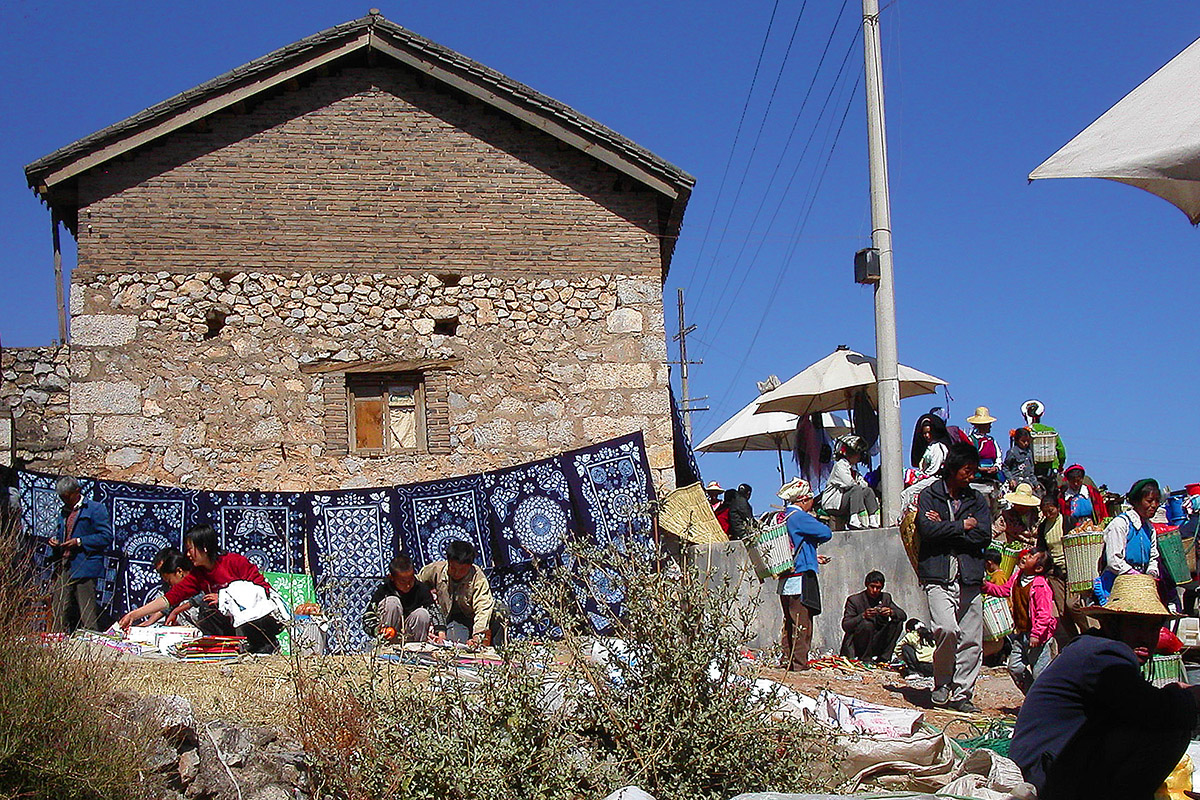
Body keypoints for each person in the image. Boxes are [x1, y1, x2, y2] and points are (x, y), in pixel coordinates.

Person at [1010, 573, 1199, 800]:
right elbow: (1152, 711)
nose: (1147, 637)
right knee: (1172, 728)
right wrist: (1187, 695)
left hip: (1043, 765)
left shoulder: (1094, 647)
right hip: (1045, 776)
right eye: (1138, 625)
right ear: (1111, 624)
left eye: (1153, 628)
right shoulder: (1106, 655)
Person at [119, 524, 283, 654]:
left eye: (190, 549)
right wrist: (134, 615)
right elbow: (169, 599)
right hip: (227, 623)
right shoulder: (198, 575)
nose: (188, 555)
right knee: (206, 609)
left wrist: (226, 598)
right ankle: (224, 647)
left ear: (204, 547)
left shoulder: (234, 562)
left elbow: (262, 590)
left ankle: (261, 646)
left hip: (256, 622)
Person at [915, 441, 992, 712]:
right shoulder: (929, 495)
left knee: (971, 639)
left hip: (969, 576)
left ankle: (963, 694)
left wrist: (945, 528)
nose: (971, 476)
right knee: (946, 629)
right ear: (953, 469)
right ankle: (942, 683)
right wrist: (962, 526)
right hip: (938, 575)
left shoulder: (977, 500)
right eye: (967, 470)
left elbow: (983, 534)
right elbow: (926, 530)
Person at [776, 477, 833, 671]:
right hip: (800, 575)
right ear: (804, 500)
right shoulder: (800, 517)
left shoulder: (782, 516)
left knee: (789, 621)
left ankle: (787, 659)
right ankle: (799, 664)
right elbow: (826, 533)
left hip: (785, 576)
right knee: (802, 622)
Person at [985, 549, 1057, 694]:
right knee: (1015, 667)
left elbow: (1044, 614)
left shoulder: (1040, 586)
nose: (1025, 557)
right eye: (1027, 554)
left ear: (1038, 568)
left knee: (1040, 673)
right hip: (1022, 633)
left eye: (1031, 557)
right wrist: (985, 587)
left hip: (1039, 638)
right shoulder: (1017, 577)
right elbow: (1004, 591)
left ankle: (1043, 700)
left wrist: (1036, 634)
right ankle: (1033, 695)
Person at [48, 476, 113, 633]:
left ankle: (90, 643)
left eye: (67, 496)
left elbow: (106, 536)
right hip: (65, 563)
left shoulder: (94, 509)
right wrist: (56, 542)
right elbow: (62, 532)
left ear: (77, 491)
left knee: (86, 609)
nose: (65, 500)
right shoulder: (63, 512)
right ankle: (58, 642)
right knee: (59, 606)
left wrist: (79, 541)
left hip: (85, 564)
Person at [418, 539, 500, 648]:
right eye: (453, 568)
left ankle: (498, 648)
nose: (456, 573)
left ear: (470, 566)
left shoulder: (478, 579)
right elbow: (415, 585)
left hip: (470, 617)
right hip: (446, 618)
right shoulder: (435, 570)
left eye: (462, 570)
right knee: (453, 644)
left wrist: (477, 636)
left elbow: (483, 609)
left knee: (500, 611)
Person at [1095, 478, 1163, 604]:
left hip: (1140, 587)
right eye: (1149, 501)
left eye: (1157, 501)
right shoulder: (1120, 524)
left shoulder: (1150, 529)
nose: (1154, 505)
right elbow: (1114, 560)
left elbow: (1153, 557)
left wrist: (1151, 574)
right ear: (1136, 501)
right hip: (1116, 587)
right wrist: (1135, 576)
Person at [364, 554, 436, 643]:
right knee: (392, 602)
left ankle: (417, 649)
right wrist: (378, 630)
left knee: (422, 614)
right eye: (403, 582)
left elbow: (434, 611)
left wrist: (440, 631)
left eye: (411, 580)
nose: (408, 585)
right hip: (390, 633)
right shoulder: (384, 590)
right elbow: (368, 617)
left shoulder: (421, 589)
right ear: (392, 578)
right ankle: (386, 647)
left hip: (411, 635)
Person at [840, 570, 906, 662]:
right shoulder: (854, 600)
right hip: (859, 643)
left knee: (897, 623)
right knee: (867, 624)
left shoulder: (885, 598)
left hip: (877, 640)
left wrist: (891, 612)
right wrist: (863, 616)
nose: (875, 590)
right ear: (867, 585)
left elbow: (903, 615)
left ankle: (884, 658)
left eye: (878, 587)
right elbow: (846, 625)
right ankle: (865, 659)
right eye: (872, 587)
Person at [819, 435, 880, 529]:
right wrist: (858, 483)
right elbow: (849, 484)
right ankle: (854, 518)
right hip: (834, 503)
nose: (859, 457)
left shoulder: (853, 468)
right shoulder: (840, 466)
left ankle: (873, 519)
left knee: (868, 491)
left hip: (846, 499)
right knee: (856, 489)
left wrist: (859, 483)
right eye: (857, 454)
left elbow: (864, 484)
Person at [900, 413, 954, 514]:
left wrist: (917, 476)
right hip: (929, 477)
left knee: (907, 493)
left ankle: (902, 519)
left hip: (935, 478)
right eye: (924, 433)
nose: (927, 436)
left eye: (929, 432)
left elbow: (933, 469)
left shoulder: (938, 447)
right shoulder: (930, 446)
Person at [135, 547, 201, 627]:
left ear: (179, 571)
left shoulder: (199, 579)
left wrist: (177, 610)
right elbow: (167, 605)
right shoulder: (166, 589)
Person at [1021, 399, 1067, 477]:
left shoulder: (1023, 432)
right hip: (1051, 468)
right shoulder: (1051, 430)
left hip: (1032, 469)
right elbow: (1061, 450)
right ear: (1041, 414)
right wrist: (1060, 465)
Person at [1058, 464, 1106, 529]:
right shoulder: (1063, 496)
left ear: (1082, 479)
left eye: (1078, 481)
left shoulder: (1092, 492)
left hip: (1091, 528)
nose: (1076, 484)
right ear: (1068, 481)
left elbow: (1102, 510)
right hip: (1072, 529)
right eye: (1073, 481)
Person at [966, 407, 1002, 486]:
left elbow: (998, 457)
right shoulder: (971, 440)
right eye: (988, 424)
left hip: (992, 477)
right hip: (977, 477)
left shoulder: (992, 440)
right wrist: (978, 468)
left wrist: (996, 467)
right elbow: (968, 458)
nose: (990, 426)